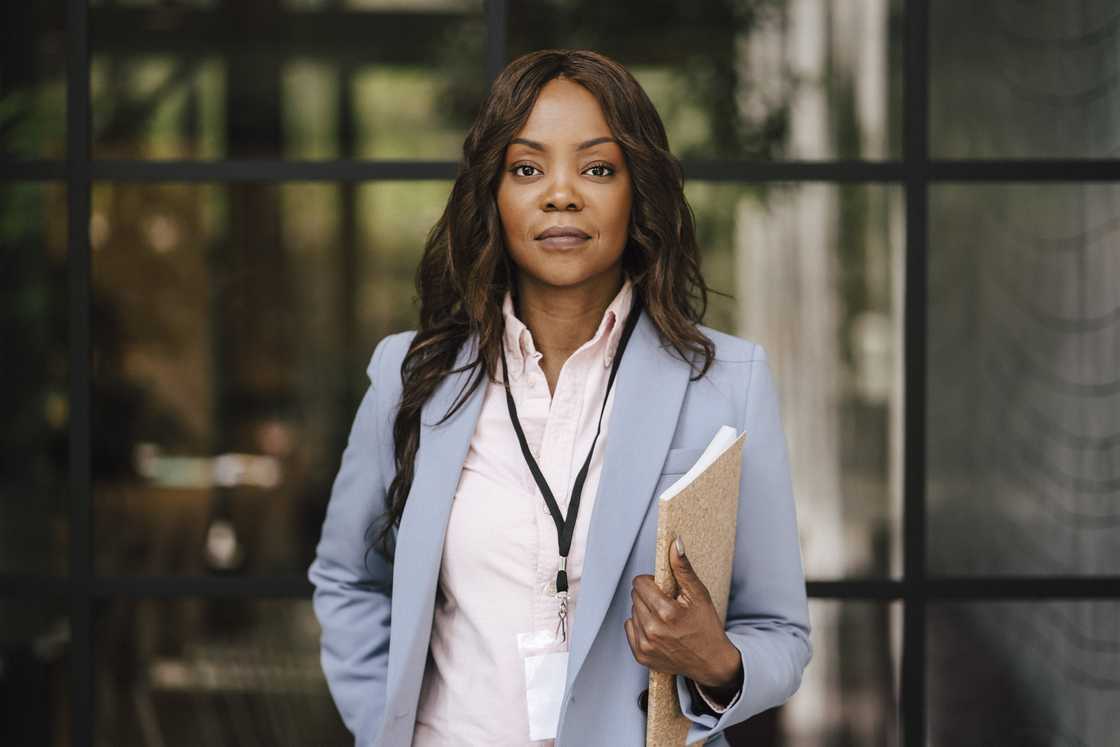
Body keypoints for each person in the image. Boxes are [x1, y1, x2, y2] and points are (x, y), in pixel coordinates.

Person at [307, 49, 811, 747]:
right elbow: (348, 578)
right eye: (527, 168)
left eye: (598, 168)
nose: (562, 193)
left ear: (637, 190)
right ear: (493, 191)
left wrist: (718, 663)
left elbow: (781, 632)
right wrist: (387, 724)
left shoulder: (728, 378)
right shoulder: (410, 375)